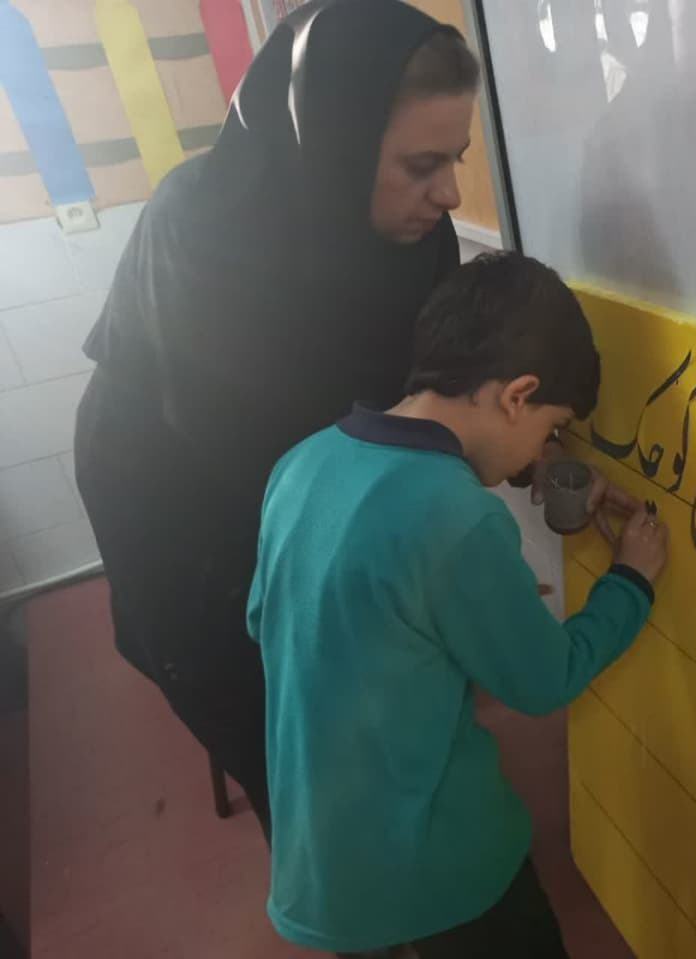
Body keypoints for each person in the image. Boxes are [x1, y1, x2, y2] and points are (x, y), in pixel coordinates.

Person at [73, 0, 507, 838]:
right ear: (335, 138)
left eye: (456, 160)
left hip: (308, 491)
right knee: (295, 753)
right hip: (184, 524)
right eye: (421, 165)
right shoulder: (201, 229)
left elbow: (427, 387)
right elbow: (255, 475)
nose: (450, 194)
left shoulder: (419, 241)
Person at [247, 252, 668, 957]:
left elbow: (270, 620)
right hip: (438, 875)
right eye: (551, 429)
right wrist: (631, 578)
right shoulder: (457, 516)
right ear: (518, 395)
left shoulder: (303, 461)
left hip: (325, 867)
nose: (539, 453)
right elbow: (546, 678)